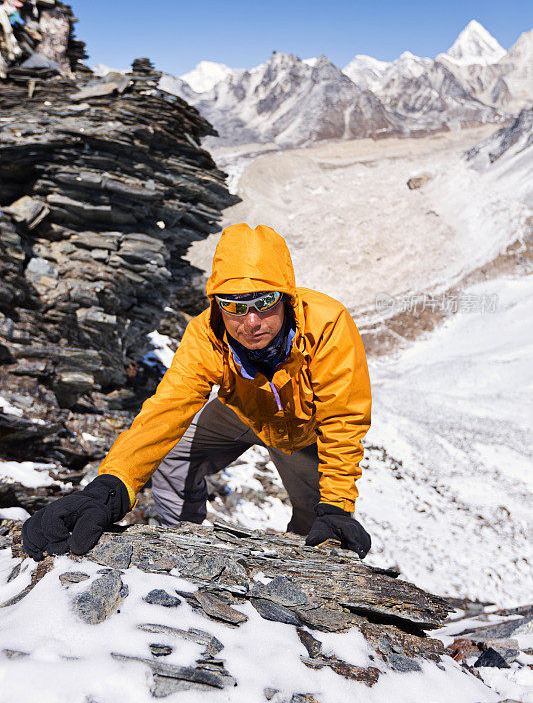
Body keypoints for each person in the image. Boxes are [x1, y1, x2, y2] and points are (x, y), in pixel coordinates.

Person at [22, 224, 372, 560]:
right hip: (242, 411)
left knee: (319, 520)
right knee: (175, 458)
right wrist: (111, 485)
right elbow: (169, 407)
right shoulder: (205, 334)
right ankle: (183, 544)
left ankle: (300, 572)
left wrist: (338, 505)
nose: (250, 321)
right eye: (233, 305)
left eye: (264, 302)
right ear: (217, 305)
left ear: (286, 297)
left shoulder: (327, 324)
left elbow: (343, 418)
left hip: (306, 431)